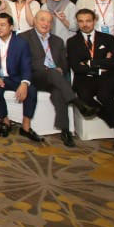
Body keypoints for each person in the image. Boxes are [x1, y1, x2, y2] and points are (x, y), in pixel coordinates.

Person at [67, 9, 114, 150]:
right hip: (85, 79)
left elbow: (113, 62)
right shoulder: (72, 42)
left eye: (88, 20)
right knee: (85, 96)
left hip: (109, 77)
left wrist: (89, 62)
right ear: (77, 22)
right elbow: (76, 67)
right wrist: (100, 66)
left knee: (104, 95)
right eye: (81, 21)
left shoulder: (108, 39)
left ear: (94, 21)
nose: (85, 24)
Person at [25, 9, 98, 148]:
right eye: (42, 20)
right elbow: (24, 61)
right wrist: (48, 69)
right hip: (35, 77)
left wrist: (60, 68)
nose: (45, 24)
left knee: (59, 92)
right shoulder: (24, 38)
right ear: (34, 21)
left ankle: (65, 131)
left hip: (55, 78)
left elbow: (65, 64)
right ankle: (77, 102)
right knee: (53, 74)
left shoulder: (58, 41)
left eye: (49, 21)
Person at [0, 13, 42, 142]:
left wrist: (24, 83)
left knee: (31, 90)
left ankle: (26, 126)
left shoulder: (21, 43)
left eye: (2, 25)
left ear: (11, 27)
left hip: (15, 78)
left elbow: (26, 66)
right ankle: (5, 121)